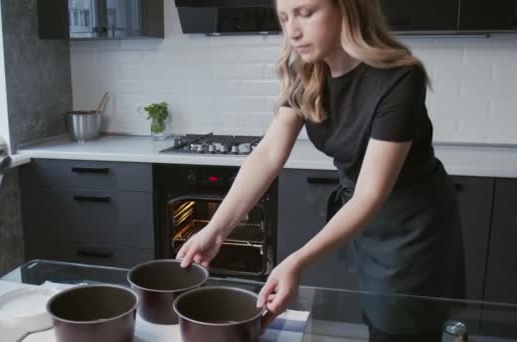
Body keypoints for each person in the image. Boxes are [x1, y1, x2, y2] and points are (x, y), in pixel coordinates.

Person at [177, 0, 465, 340]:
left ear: (348, 8)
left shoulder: (399, 77)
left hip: (410, 228)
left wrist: (295, 262)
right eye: (284, 18)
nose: (293, 31)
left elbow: (371, 194)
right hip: (364, 219)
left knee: (401, 327)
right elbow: (268, 154)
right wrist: (217, 228)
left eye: (306, 13)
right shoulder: (308, 72)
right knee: (378, 316)